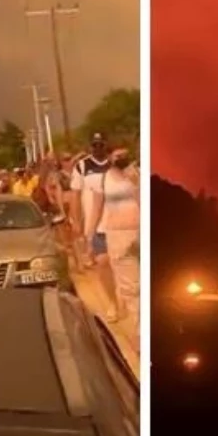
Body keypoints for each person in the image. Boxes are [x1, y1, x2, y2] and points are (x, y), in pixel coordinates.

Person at [88, 147, 141, 343]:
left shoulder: (137, 175)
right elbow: (96, 208)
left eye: (125, 155)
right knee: (131, 287)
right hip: (117, 235)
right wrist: (89, 236)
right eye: (117, 155)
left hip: (139, 233)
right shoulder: (104, 179)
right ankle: (140, 331)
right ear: (110, 157)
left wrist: (136, 182)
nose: (121, 159)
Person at [71, 133, 117, 320]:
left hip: (118, 224)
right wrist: (76, 221)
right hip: (96, 225)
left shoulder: (115, 165)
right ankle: (112, 302)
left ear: (106, 145)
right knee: (103, 264)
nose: (98, 148)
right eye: (94, 145)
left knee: (122, 266)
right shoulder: (82, 167)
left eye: (101, 144)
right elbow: (75, 195)